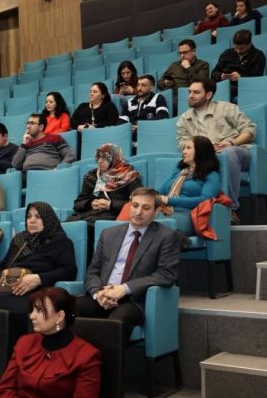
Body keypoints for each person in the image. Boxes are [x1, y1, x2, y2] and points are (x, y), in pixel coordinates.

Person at [76, 187, 181, 340]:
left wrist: (125, 289)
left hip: (133, 301)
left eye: (146, 208)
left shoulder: (166, 237)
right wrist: (98, 293)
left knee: (115, 323)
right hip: (103, 295)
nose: (138, 212)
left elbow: (166, 275)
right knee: (68, 309)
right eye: (135, 205)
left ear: (156, 211)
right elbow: (93, 271)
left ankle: (105, 357)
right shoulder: (109, 234)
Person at [0, 202, 77, 345]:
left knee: (17, 313)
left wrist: (39, 278)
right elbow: (3, 266)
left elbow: (69, 271)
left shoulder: (61, 242)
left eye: (38, 217)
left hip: (32, 293)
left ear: (48, 219)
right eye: (29, 217)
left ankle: (16, 353)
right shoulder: (20, 240)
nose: (31, 221)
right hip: (5, 290)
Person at [0, 287, 101, 398]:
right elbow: (5, 388)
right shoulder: (24, 343)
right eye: (32, 310)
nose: (32, 316)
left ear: (59, 316)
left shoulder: (86, 356)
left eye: (39, 310)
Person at [176, 78, 255, 222]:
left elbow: (249, 130)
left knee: (228, 153)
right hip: (205, 156)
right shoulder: (184, 118)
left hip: (236, 150)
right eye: (189, 92)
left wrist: (230, 142)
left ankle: (230, 208)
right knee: (183, 160)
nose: (191, 95)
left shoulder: (226, 108)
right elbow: (182, 142)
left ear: (208, 95)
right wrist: (202, 148)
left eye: (196, 92)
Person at [66, 144, 142, 229]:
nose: (100, 161)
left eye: (105, 158)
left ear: (115, 159)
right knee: (66, 225)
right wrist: (90, 203)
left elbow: (137, 203)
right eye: (98, 157)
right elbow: (77, 204)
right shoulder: (91, 176)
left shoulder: (130, 176)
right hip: (89, 215)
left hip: (113, 216)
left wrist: (110, 204)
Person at [159, 136, 221, 235]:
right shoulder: (179, 172)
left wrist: (169, 200)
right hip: (163, 211)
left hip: (186, 214)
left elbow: (205, 200)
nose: (183, 151)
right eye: (184, 148)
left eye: (188, 148)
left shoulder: (211, 175)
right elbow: (160, 192)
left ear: (201, 151)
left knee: (157, 228)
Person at [211, 29, 265, 97]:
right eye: (236, 47)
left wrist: (241, 78)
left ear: (250, 44)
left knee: (224, 89)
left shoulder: (258, 55)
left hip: (244, 87)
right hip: (223, 84)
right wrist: (221, 76)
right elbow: (214, 73)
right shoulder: (227, 53)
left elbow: (258, 78)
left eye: (242, 48)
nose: (238, 51)